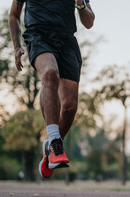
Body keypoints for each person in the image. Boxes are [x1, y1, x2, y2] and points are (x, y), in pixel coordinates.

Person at [9, 0, 95, 178]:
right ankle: (55, 142)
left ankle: (51, 147)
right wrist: (17, 46)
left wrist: (80, 4)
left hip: (67, 40)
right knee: (49, 74)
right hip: (38, 34)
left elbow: (89, 22)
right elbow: (14, 15)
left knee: (70, 107)